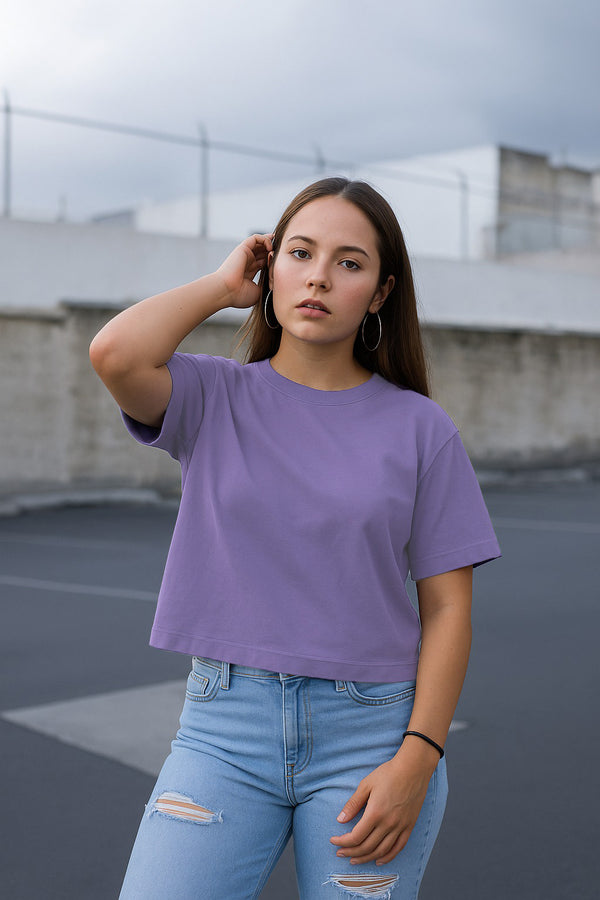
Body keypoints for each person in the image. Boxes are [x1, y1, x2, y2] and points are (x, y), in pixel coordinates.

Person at [89, 176, 501, 900]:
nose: (318, 276)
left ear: (379, 293)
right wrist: (221, 287)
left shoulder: (420, 430)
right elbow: (116, 355)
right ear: (269, 267)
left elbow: (448, 610)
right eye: (300, 253)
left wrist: (418, 758)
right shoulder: (214, 397)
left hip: (371, 734)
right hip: (223, 731)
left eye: (349, 262)